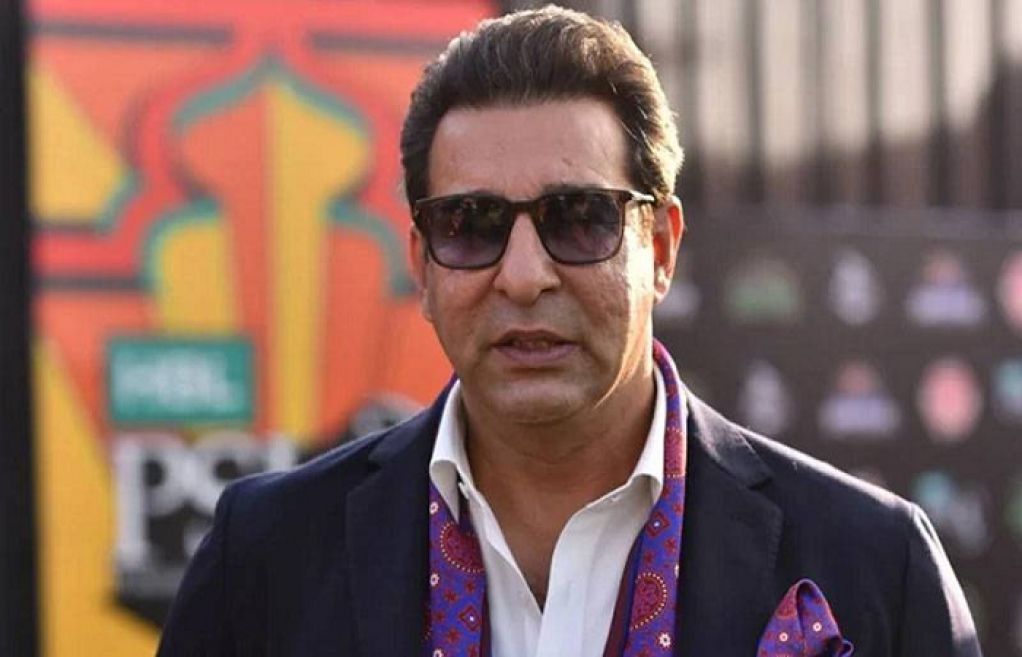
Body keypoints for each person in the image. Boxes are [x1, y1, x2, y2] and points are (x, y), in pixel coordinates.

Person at [157, 6, 983, 656]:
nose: (523, 275)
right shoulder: (264, 559)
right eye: (471, 224)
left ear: (661, 248)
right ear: (422, 263)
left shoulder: (875, 564)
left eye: (579, 217)